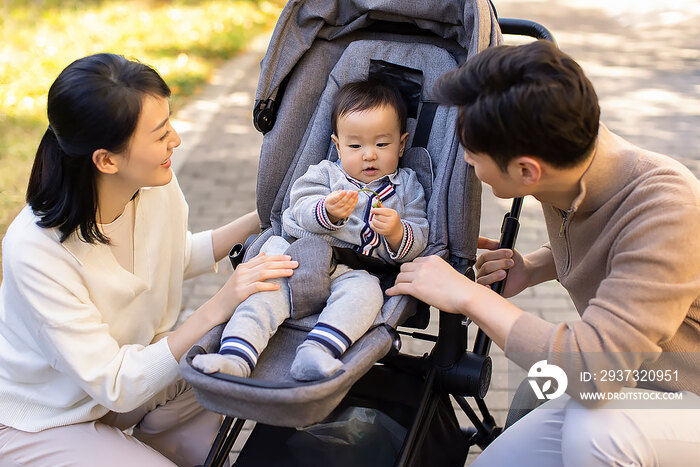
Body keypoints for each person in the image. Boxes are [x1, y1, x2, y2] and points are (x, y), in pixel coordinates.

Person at [387, 40, 700, 466]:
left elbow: (592, 368)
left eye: (473, 155)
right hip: (639, 382)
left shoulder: (668, 209)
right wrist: (534, 266)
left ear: (527, 172)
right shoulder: (570, 160)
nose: (464, 159)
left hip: (677, 390)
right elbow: (617, 245)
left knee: (597, 432)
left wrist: (466, 295)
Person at [0, 53, 298, 466]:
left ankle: (164, 454)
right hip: (43, 417)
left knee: (225, 362)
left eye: (170, 122)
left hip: (117, 387)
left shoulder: (153, 182)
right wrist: (219, 304)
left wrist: (265, 216)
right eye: (160, 135)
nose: (175, 140)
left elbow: (170, 256)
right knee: (211, 326)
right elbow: (115, 382)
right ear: (107, 160)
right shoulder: (36, 251)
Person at [193, 80, 429, 381]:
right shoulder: (325, 174)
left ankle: (316, 351)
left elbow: (420, 234)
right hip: (298, 260)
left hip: (355, 272)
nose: (369, 155)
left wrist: (397, 232)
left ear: (401, 143)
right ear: (337, 145)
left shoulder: (408, 187)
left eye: (381, 144)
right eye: (355, 146)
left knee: (368, 295)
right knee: (264, 295)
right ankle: (236, 356)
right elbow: (298, 207)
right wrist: (326, 212)